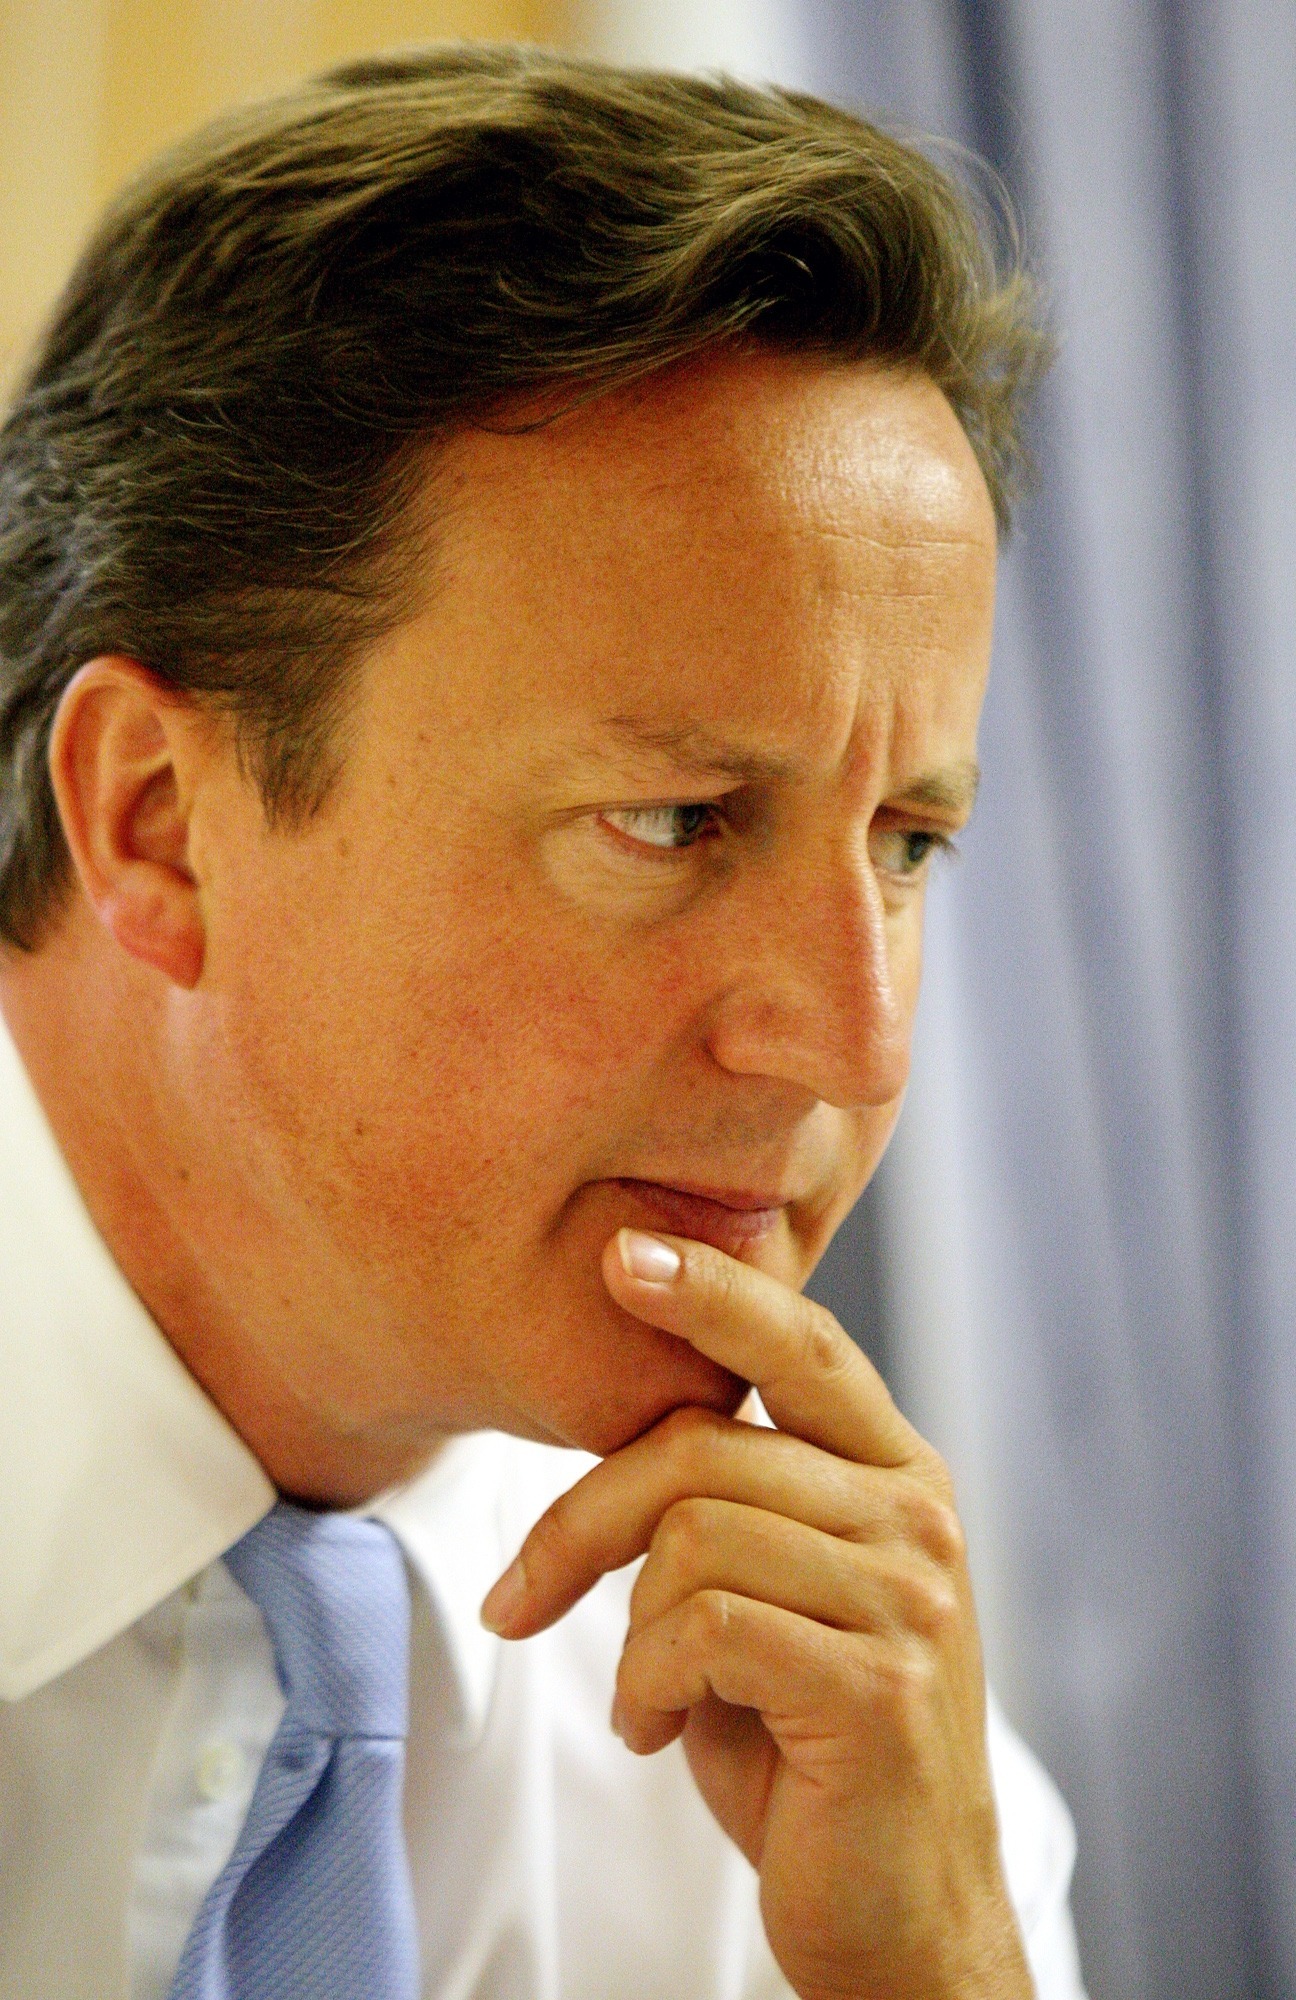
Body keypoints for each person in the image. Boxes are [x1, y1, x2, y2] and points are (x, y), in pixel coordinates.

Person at [0, 45, 1086, 2000]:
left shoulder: (850, 1755)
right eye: (674, 821)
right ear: (158, 824)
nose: (853, 1048)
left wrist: (938, 1964)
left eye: (909, 843)